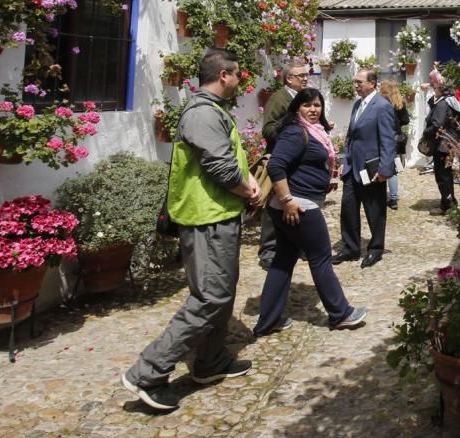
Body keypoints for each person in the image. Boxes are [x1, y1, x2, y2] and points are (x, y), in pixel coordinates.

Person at [122, 49, 261, 412]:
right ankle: (147, 372)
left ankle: (210, 362)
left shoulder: (211, 111)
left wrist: (245, 181)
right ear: (224, 75)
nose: (239, 81)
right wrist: (247, 188)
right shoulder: (201, 113)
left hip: (217, 214)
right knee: (210, 297)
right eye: (236, 74)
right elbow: (220, 167)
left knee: (222, 293)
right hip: (206, 219)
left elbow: (226, 158)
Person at [253, 87, 367, 336]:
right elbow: (276, 165)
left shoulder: (313, 131)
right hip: (298, 205)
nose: (313, 110)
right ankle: (340, 313)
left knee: (283, 261)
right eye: (307, 105)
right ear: (297, 108)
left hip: (291, 204)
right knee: (321, 257)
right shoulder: (295, 131)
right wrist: (288, 200)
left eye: (317, 105)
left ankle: (268, 320)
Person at [258, 57, 318, 269]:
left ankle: (297, 245)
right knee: (274, 203)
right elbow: (268, 130)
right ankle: (268, 250)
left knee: (296, 201)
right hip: (282, 158)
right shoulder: (279, 98)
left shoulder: (302, 98)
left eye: (306, 75)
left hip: (299, 160)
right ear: (289, 78)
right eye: (302, 76)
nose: (305, 79)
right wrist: (291, 131)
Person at [333, 69, 397, 269]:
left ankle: (375, 249)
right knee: (348, 208)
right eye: (355, 82)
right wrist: (344, 159)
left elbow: (388, 139)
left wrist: (386, 168)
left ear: (372, 83)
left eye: (359, 82)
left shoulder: (382, 106)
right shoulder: (357, 104)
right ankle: (351, 248)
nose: (356, 86)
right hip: (352, 167)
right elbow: (351, 136)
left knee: (374, 209)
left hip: (372, 169)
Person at [424, 79, 460, 214]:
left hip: (443, 144)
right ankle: (450, 201)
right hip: (449, 142)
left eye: (435, 89)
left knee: (443, 175)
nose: (434, 91)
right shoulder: (452, 101)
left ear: (441, 90)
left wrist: (425, 132)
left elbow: (437, 124)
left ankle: (446, 206)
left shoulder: (443, 104)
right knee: (447, 173)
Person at [379, 79, 411, 210]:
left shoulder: (382, 102)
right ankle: (393, 198)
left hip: (384, 136)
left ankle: (387, 197)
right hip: (396, 136)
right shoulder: (400, 102)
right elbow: (406, 120)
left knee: (381, 165)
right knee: (393, 169)